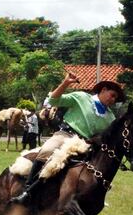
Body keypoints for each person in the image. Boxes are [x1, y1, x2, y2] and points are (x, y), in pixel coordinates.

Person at [11, 72, 125, 205]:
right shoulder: (81, 97)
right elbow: (53, 101)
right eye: (112, 95)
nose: (113, 100)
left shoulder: (110, 117)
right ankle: (28, 192)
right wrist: (65, 83)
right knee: (48, 149)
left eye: (115, 99)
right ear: (103, 90)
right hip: (66, 136)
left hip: (86, 144)